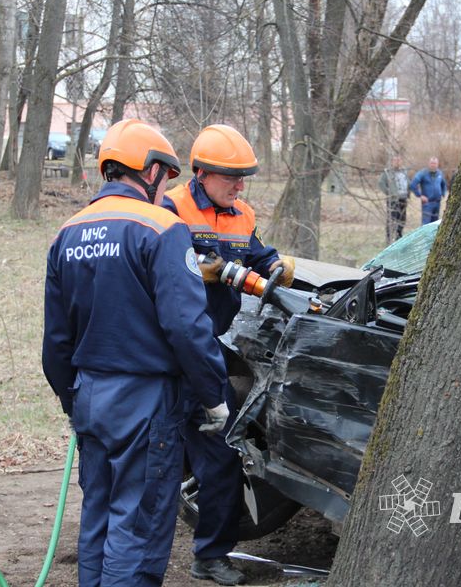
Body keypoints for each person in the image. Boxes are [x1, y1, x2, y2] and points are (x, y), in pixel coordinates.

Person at [42, 119, 231, 587]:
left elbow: (55, 341)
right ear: (149, 171)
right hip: (145, 403)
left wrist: (74, 402)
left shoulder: (67, 233)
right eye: (166, 175)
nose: (167, 186)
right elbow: (187, 326)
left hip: (89, 397)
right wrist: (214, 396)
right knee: (139, 526)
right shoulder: (163, 228)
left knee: (99, 520)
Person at [163, 124, 295, 586]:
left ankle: (210, 555)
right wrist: (200, 270)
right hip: (163, 355)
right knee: (151, 455)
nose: (240, 186)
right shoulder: (171, 207)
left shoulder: (241, 213)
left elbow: (260, 257)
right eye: (231, 178)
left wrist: (277, 267)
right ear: (201, 174)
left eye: (244, 178)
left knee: (221, 453)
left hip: (207, 352)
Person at [377, 154, 410, 242]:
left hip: (403, 199)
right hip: (393, 200)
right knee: (392, 219)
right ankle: (389, 237)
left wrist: (408, 193)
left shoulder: (404, 172)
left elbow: (408, 183)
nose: (397, 162)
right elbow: (381, 183)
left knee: (402, 219)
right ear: (392, 162)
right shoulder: (388, 172)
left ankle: (399, 237)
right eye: (395, 161)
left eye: (399, 160)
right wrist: (389, 193)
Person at [409, 156, 448, 224]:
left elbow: (443, 184)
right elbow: (413, 184)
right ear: (429, 164)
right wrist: (420, 196)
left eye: (435, 163)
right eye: (432, 163)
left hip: (437, 203)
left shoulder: (439, 173)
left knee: (435, 224)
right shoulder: (423, 173)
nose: (433, 165)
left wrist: (443, 193)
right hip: (427, 203)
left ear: (437, 164)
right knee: (426, 224)